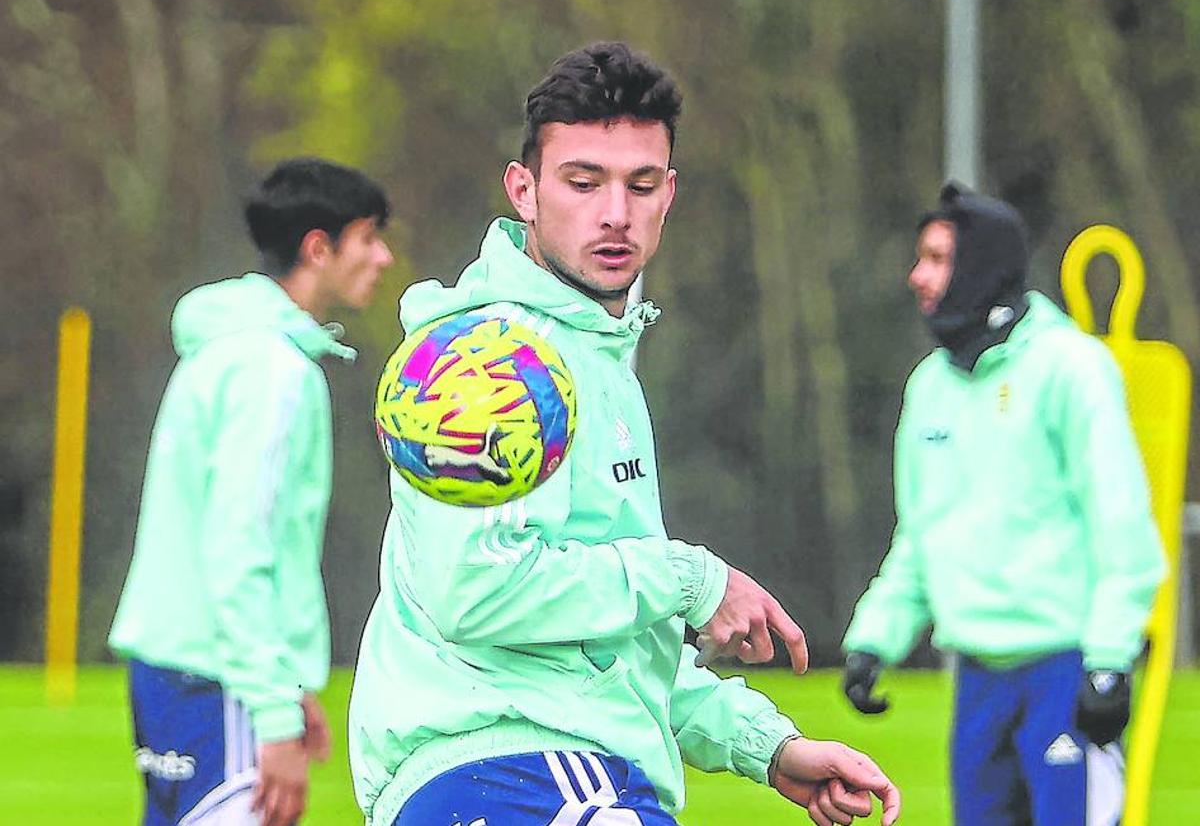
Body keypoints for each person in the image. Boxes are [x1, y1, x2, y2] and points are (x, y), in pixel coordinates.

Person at [349, 42, 900, 826]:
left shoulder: (600, 359)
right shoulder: (491, 359)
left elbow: (608, 650)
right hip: (508, 763)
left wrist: (765, 746)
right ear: (524, 191)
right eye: (584, 182)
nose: (616, 212)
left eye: (641, 185)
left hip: (560, 765)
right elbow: (472, 592)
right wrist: (690, 579)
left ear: (669, 194)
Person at [841, 182, 1166, 825]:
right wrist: (876, 638)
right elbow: (922, 534)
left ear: (981, 268)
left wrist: (1107, 661)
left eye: (936, 259)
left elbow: (1120, 521)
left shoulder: (1072, 369)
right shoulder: (930, 386)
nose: (916, 277)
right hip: (980, 682)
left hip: (1066, 671)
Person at [109, 157, 394, 826]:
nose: (382, 257)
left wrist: (286, 686)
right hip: (217, 686)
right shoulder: (271, 371)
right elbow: (242, 547)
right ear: (318, 248)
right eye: (370, 237)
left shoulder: (227, 350)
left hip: (176, 674)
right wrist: (269, 707)